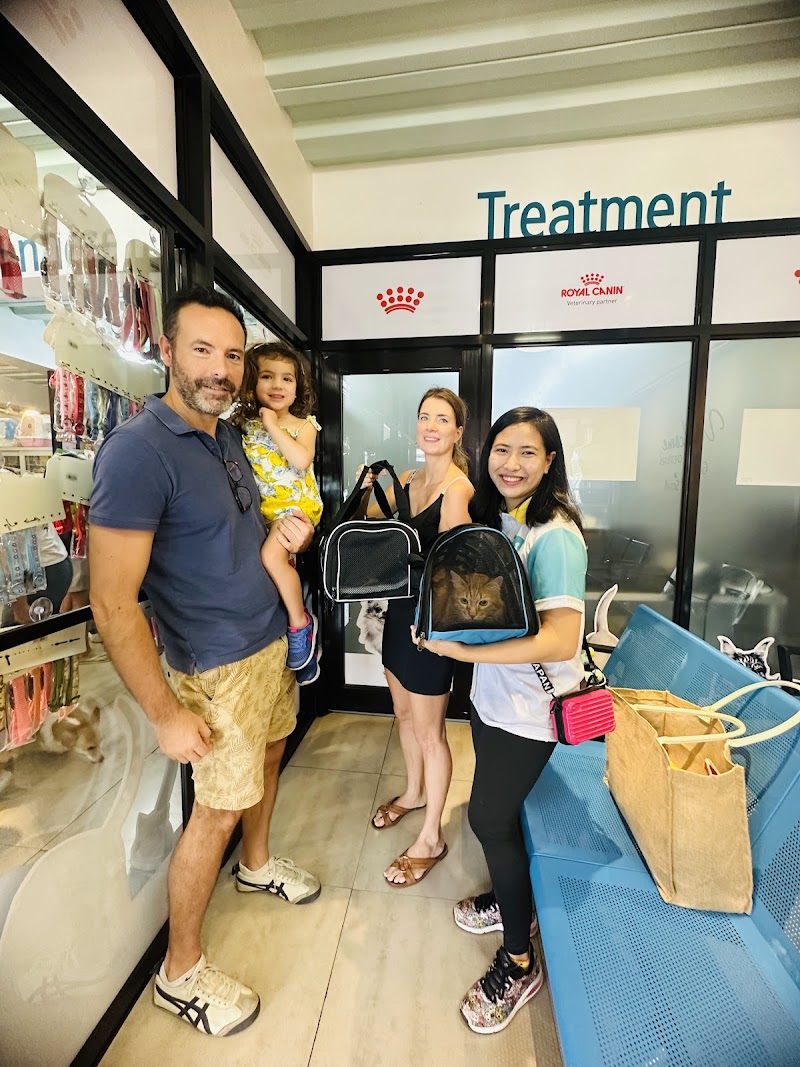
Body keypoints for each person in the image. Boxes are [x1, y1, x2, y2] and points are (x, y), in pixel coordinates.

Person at [89, 285, 319, 1039]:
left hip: (268, 641)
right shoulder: (138, 451)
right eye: (202, 350)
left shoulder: (227, 436)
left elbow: (241, 527)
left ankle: (257, 864)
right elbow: (112, 604)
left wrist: (286, 532)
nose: (220, 369)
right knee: (214, 811)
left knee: (273, 752)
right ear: (166, 351)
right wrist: (164, 713)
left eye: (233, 355)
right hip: (214, 668)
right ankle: (179, 973)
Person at [416, 406, 587, 1035]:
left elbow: (561, 640)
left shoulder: (555, 535)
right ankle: (514, 900)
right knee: (499, 814)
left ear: (549, 462)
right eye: (502, 450)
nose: (510, 464)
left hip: (532, 709)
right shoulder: (507, 519)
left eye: (527, 452)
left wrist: (464, 655)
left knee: (488, 817)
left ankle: (519, 961)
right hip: (496, 699)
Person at [361, 387, 473, 887]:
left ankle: (432, 836)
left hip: (431, 622)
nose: (431, 426)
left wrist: (434, 627)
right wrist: (370, 489)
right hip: (397, 612)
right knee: (403, 714)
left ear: (457, 432)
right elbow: (374, 525)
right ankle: (414, 793)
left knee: (431, 732)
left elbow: (456, 566)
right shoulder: (406, 479)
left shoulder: (458, 489)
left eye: (442, 419)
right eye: (425, 416)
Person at [232, 341, 322, 680]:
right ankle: (304, 652)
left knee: (271, 558)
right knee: (269, 568)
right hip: (265, 513)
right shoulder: (243, 426)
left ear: (297, 387)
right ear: (252, 382)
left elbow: (301, 460)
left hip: (296, 509)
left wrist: (272, 424)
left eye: (287, 378)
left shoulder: (304, 425)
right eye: (267, 376)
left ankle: (301, 624)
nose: (277, 385)